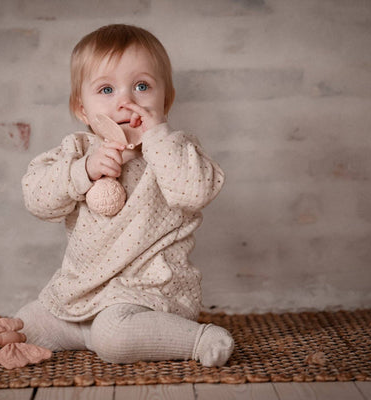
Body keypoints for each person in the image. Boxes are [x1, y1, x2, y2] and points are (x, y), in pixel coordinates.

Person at [17, 24, 233, 367]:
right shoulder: (77, 152)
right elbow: (37, 199)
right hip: (83, 293)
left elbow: (193, 193)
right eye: (106, 89)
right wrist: (83, 171)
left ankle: (198, 338)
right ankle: (88, 334)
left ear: (166, 100)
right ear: (82, 109)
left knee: (113, 335)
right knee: (23, 324)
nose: (126, 101)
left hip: (148, 293)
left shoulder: (175, 150)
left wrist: (158, 136)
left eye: (142, 86)